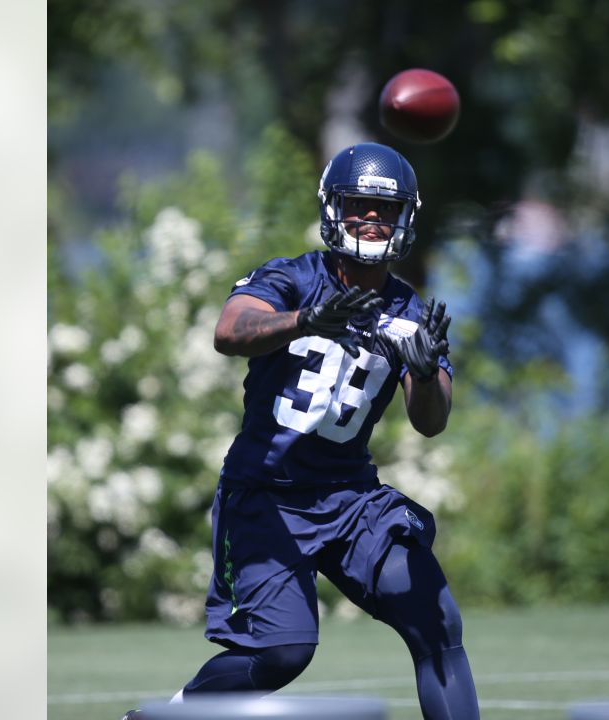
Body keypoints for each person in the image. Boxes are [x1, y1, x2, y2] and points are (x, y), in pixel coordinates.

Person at [124, 142, 479, 719]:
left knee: (435, 615)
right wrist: (304, 322)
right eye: (358, 205)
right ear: (333, 210)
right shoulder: (293, 278)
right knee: (282, 653)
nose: (370, 218)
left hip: (351, 500)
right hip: (267, 496)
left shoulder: (409, 311)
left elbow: (430, 421)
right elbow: (229, 330)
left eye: (383, 209)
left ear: (405, 219)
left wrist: (422, 368)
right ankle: (164, 717)